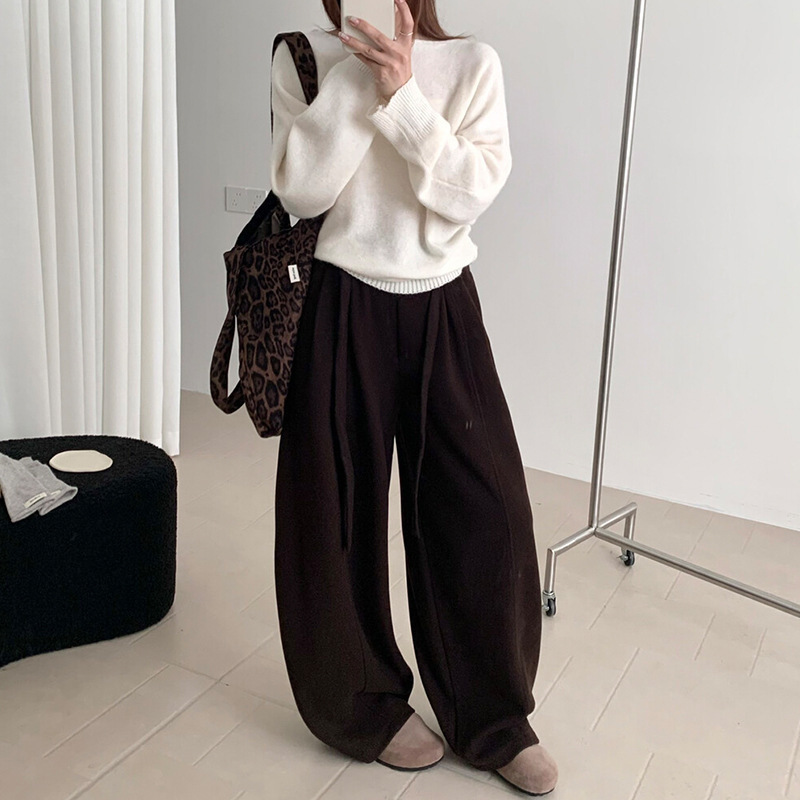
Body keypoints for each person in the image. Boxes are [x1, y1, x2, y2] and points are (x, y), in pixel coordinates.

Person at [270, 0, 558, 794]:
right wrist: (359, 80)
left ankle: (493, 716)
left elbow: (467, 193)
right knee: (334, 518)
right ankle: (362, 704)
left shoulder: (473, 64)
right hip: (341, 301)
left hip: (442, 302)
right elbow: (302, 193)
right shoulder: (302, 59)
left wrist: (403, 94)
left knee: (487, 515)